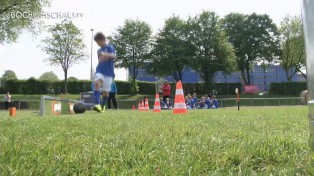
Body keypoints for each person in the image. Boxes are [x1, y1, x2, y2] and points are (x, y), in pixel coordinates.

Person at [93, 32, 116, 112]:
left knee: (106, 92)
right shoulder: (99, 50)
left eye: (98, 42)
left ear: (103, 40)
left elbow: (114, 56)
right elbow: (100, 60)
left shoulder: (110, 47)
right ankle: (97, 104)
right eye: (96, 42)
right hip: (100, 70)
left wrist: (106, 54)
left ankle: (102, 107)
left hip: (109, 73)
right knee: (97, 83)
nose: (98, 44)